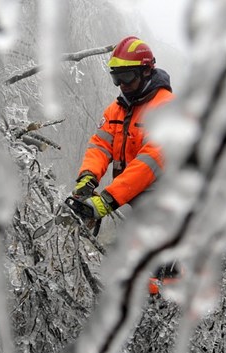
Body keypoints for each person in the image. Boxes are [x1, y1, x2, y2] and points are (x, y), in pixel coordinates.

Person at [71, 36, 179, 294]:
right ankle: (143, 309)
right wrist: (87, 179)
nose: (121, 85)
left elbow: (149, 163)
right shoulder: (117, 109)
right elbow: (100, 145)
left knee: (162, 266)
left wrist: (106, 200)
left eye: (127, 77)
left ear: (145, 71)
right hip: (136, 196)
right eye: (115, 78)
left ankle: (165, 315)